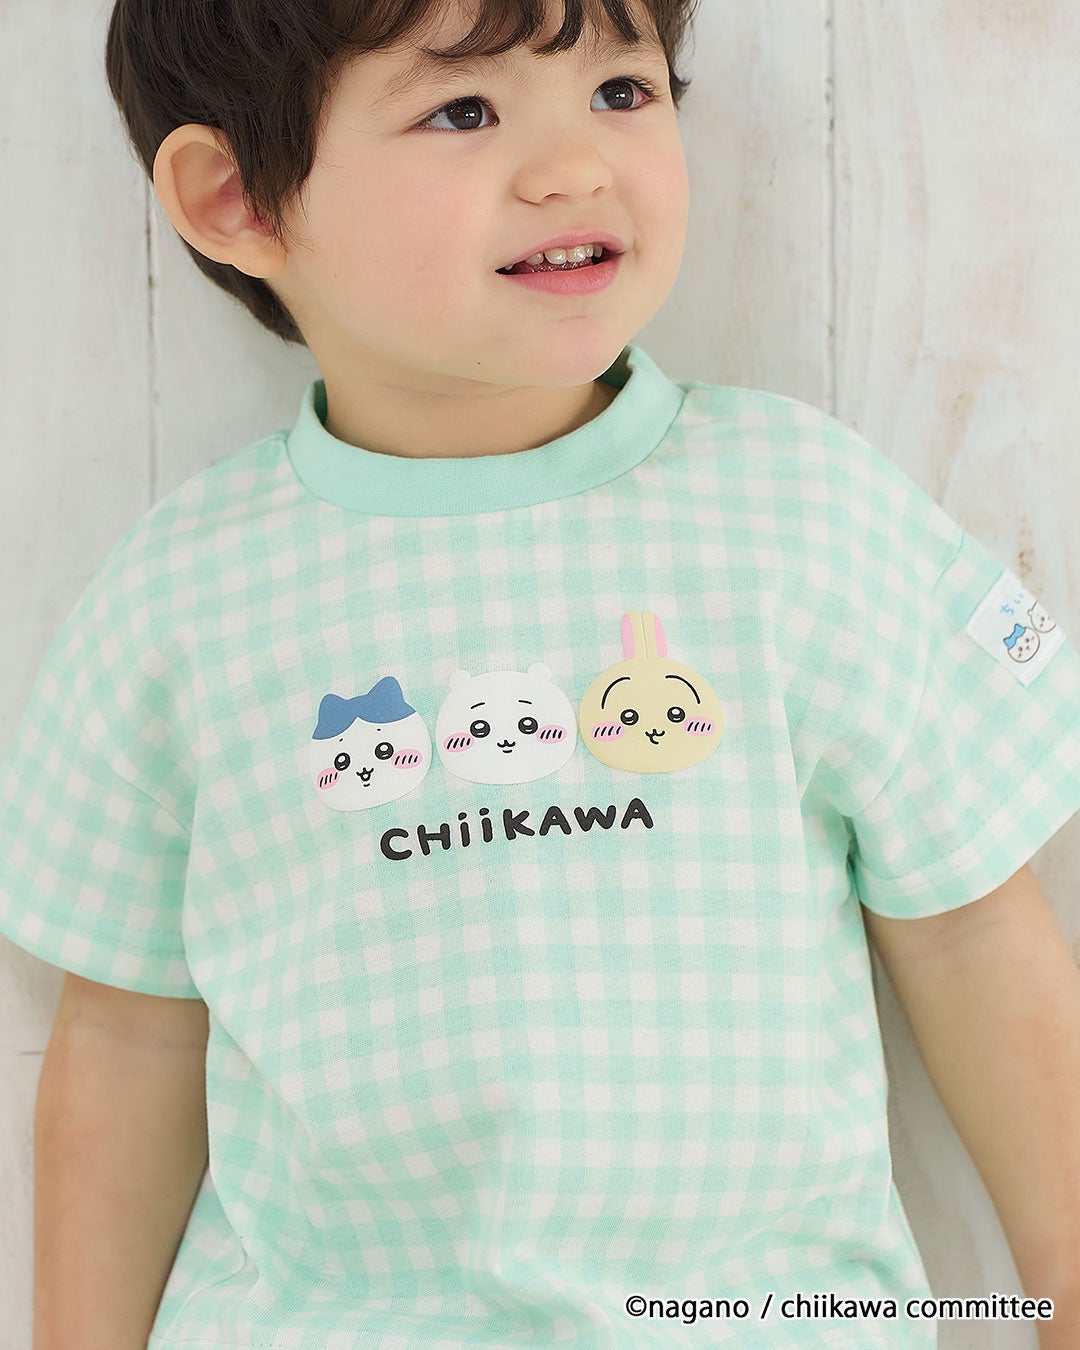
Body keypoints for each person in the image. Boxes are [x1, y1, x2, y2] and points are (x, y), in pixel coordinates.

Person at [3, 0, 1079, 1347]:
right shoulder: (179, 606)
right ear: (238, 197)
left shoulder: (799, 516)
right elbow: (126, 1045)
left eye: (623, 90)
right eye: (464, 109)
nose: (576, 167)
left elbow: (974, 935)